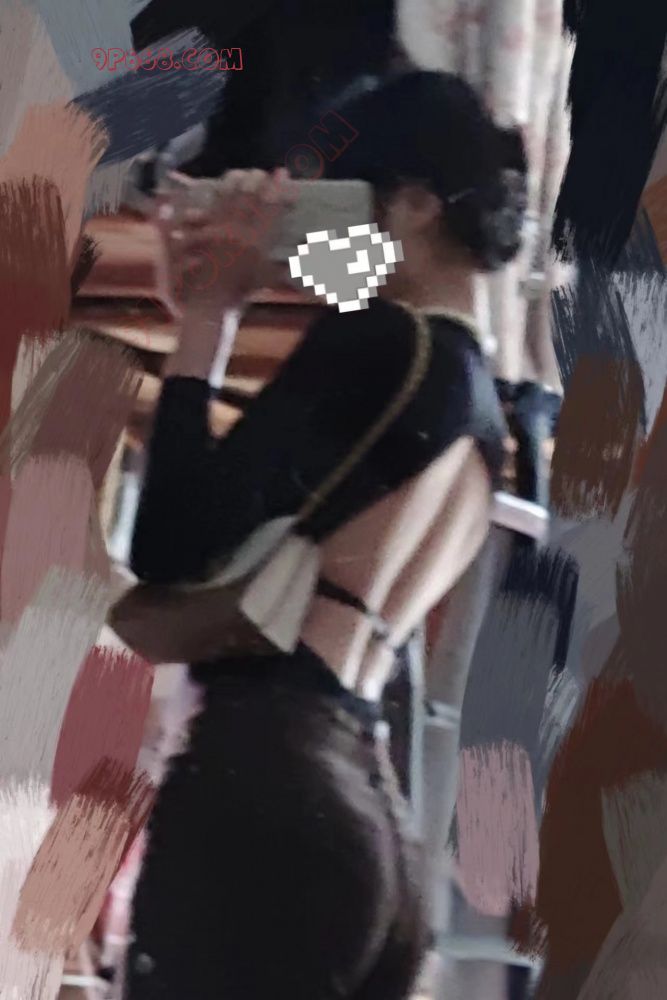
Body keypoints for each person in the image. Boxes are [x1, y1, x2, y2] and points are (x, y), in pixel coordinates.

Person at [122, 71, 525, 1000]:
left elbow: (171, 545)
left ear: (413, 204)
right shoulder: (479, 408)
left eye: (339, 196)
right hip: (370, 805)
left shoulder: (380, 345)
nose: (317, 225)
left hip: (265, 778)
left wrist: (209, 324)